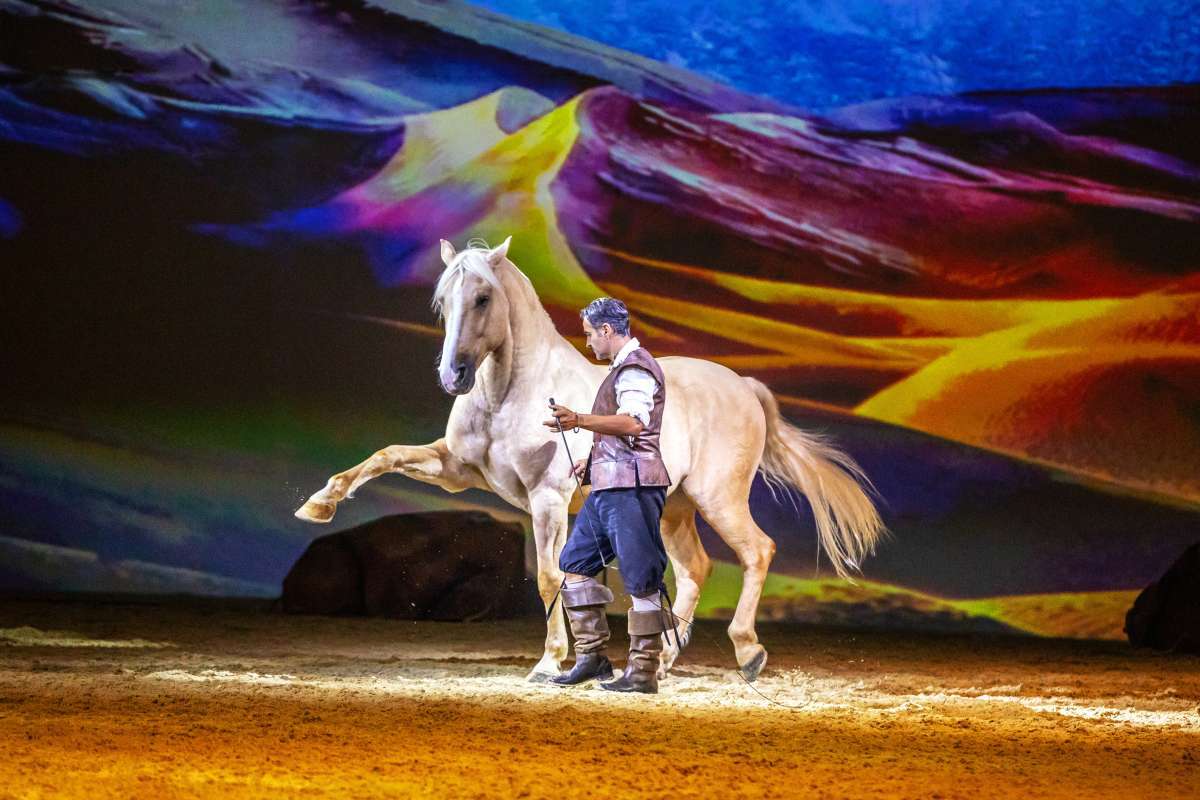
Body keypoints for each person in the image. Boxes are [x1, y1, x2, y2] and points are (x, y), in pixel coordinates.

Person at [542, 297, 674, 694]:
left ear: (606, 330)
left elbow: (635, 423)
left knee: (641, 578)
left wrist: (579, 420)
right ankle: (592, 657)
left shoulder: (636, 368)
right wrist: (594, 459)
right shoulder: (621, 369)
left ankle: (643, 671)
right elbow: (621, 434)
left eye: (589, 335)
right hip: (609, 485)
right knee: (575, 564)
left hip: (632, 488)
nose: (588, 344)